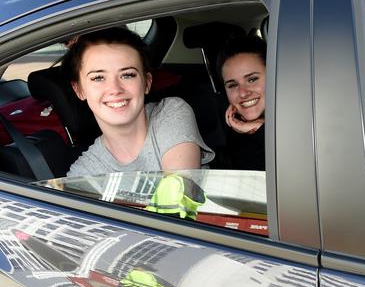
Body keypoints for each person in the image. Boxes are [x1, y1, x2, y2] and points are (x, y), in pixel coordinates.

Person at [65, 27, 214, 177]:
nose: (115, 89)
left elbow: (178, 194)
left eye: (128, 75)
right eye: (98, 78)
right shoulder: (84, 172)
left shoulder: (170, 112)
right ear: (79, 90)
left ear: (147, 83)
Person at [218, 36, 266, 171]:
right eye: (233, 85)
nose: (243, 93)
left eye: (252, 79)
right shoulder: (235, 135)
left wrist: (260, 129)